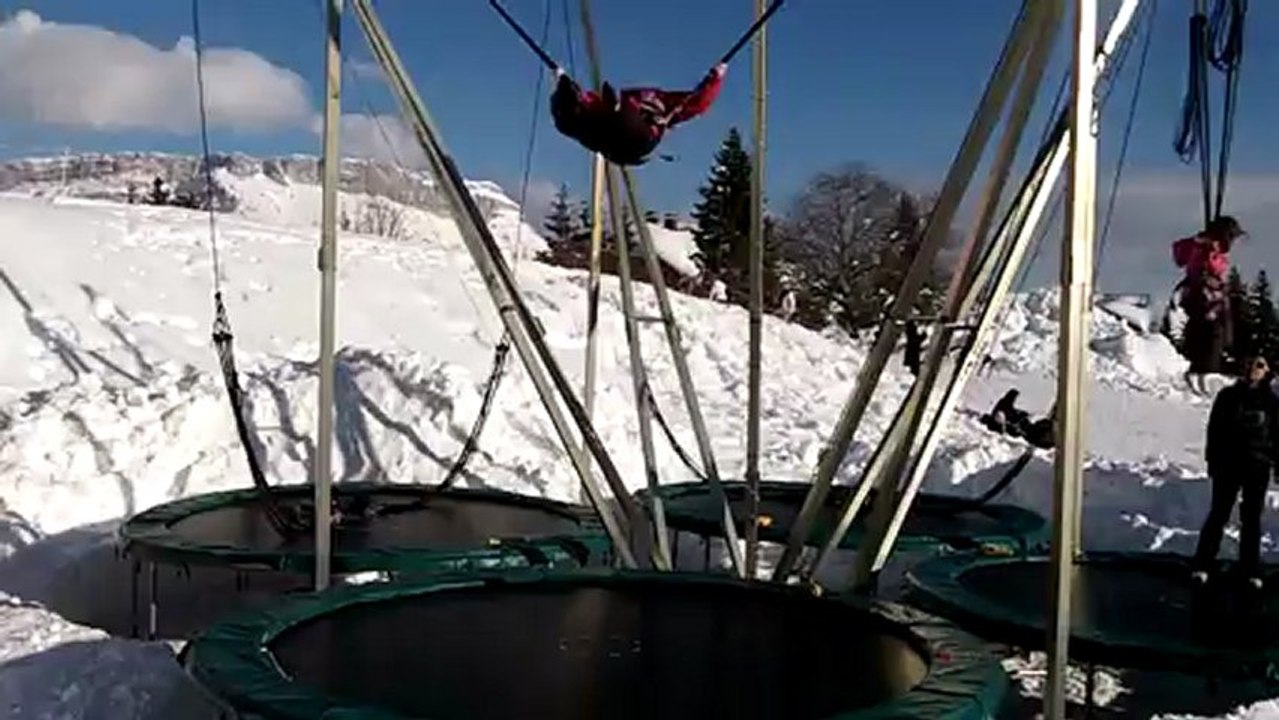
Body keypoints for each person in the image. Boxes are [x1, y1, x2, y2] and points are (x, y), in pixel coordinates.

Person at [1192, 354, 1279, 590]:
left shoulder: (1271, 402)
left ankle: (1250, 569)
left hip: (1258, 466)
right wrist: (1212, 460)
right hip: (1228, 465)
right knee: (1219, 513)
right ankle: (1203, 565)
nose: (1253, 368)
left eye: (1259, 365)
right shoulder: (1228, 396)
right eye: (1250, 363)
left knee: (1251, 519)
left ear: (1266, 370)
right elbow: (1215, 430)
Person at [550, 64, 727, 166]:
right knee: (580, 120)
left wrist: (716, 77)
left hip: (636, 138)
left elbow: (698, 103)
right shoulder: (637, 100)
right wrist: (566, 85)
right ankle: (567, 99)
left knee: (586, 120)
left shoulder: (666, 103)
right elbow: (591, 107)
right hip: (616, 136)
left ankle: (568, 100)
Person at [1172, 216, 1246, 394]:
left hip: (1210, 297)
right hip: (1200, 294)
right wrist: (1200, 244)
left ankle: (1206, 369)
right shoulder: (1202, 247)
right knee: (1210, 330)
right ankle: (1202, 372)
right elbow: (1181, 255)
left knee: (1216, 331)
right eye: (1232, 238)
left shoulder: (1217, 250)